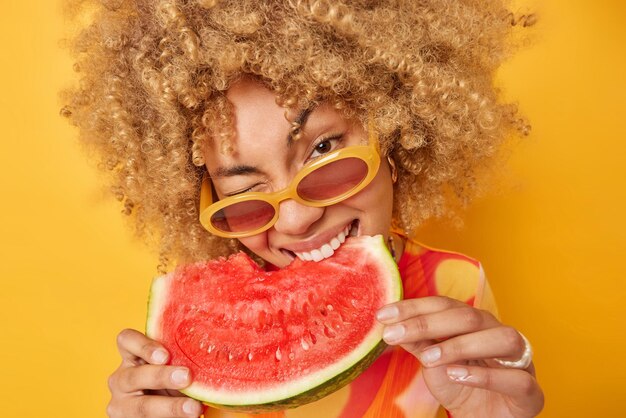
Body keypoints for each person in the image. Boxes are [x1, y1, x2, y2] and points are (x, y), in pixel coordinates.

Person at [62, 1, 544, 417]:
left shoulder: (458, 287)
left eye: (323, 149)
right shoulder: (198, 336)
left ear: (392, 136)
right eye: (244, 190)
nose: (295, 219)